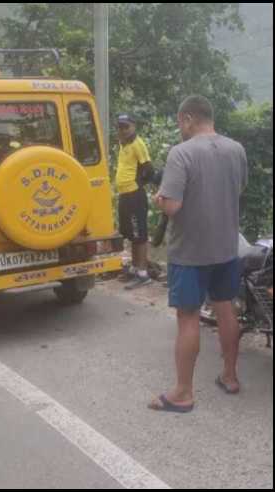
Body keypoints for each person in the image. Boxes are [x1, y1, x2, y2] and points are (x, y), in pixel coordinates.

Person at [148, 95, 249, 413]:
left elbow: (173, 205)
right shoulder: (236, 149)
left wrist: (158, 200)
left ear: (188, 118)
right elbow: (239, 189)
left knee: (188, 317)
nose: (180, 128)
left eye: (180, 122)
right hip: (226, 248)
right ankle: (230, 376)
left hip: (190, 253)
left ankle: (182, 393)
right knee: (226, 309)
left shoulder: (181, 153)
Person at [113, 114, 154, 290]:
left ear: (133, 126)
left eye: (126, 127)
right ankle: (134, 268)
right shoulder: (123, 144)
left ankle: (143, 274)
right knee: (130, 233)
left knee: (140, 234)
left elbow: (149, 170)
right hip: (124, 195)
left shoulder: (138, 144)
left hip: (134, 196)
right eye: (120, 127)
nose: (122, 130)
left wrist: (137, 185)